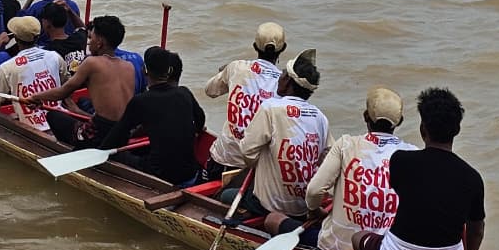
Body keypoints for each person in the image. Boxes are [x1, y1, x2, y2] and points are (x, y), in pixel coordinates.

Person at [354, 88, 484, 250]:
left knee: (358, 237)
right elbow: (477, 230)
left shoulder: (400, 161)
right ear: (457, 130)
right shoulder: (473, 178)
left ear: (423, 129)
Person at [268, 87, 416, 250]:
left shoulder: (346, 144)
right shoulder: (413, 153)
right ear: (400, 121)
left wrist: (314, 211)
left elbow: (314, 191)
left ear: (365, 116)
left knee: (272, 219)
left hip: (337, 246)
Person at [233, 49, 329, 220]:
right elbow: (326, 158)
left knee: (226, 195)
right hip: (302, 207)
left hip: (270, 206)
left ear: (288, 82)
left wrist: (264, 164)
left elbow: (247, 152)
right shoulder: (321, 118)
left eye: (284, 74)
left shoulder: (270, 108)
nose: (280, 77)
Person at [22, 14, 136, 146]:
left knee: (54, 116)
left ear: (100, 42)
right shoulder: (129, 66)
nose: (88, 42)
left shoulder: (92, 62)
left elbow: (63, 92)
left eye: (91, 38)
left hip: (100, 135)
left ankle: (65, 148)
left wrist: (36, 97)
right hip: (123, 133)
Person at [100, 46, 206, 186]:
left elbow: (115, 139)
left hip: (161, 175)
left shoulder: (141, 101)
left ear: (144, 70)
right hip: (190, 173)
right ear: (169, 71)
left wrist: (102, 151)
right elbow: (201, 120)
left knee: (118, 155)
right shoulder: (184, 92)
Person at [203, 23, 285, 179]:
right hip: (256, 168)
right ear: (283, 48)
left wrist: (227, 73)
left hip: (223, 158)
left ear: (255, 46)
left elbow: (210, 91)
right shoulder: (285, 84)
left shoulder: (236, 67)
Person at [0, 16, 66, 132]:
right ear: (37, 37)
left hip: (34, 127)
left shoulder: (7, 67)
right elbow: (66, 83)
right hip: (60, 119)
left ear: (16, 38)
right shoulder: (55, 56)